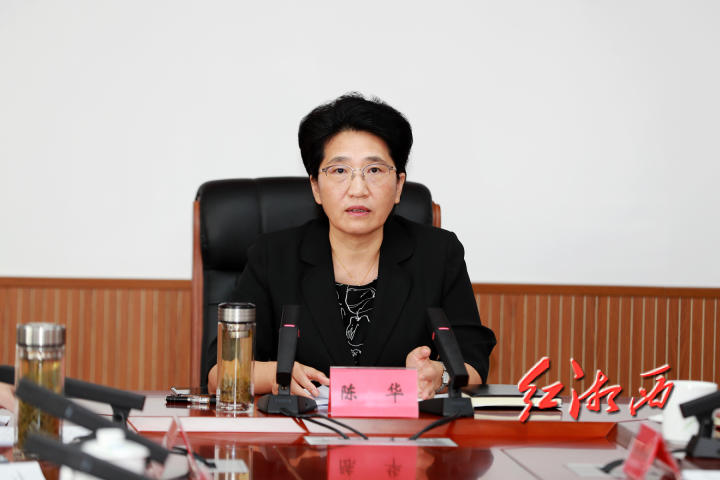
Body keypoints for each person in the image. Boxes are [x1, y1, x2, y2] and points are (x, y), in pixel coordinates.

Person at [207, 93, 496, 400]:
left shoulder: (438, 254)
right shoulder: (273, 256)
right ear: (316, 188)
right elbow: (218, 374)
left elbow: (473, 363)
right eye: (340, 171)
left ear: (399, 186)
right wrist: (277, 374)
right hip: (303, 429)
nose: (358, 190)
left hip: (406, 429)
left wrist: (439, 374)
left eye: (374, 170)